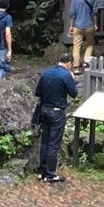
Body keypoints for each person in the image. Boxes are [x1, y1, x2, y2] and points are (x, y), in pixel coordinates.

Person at [34, 52, 78, 183]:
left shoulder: (46, 73)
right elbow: (74, 93)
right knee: (54, 144)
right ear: (69, 63)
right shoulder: (66, 75)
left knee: (45, 142)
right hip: (57, 111)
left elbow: (38, 92)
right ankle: (50, 174)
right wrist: (72, 78)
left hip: (44, 110)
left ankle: (41, 171)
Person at [69, 0, 99, 73]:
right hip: (89, 25)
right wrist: (95, 24)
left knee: (77, 46)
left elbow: (72, 14)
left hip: (77, 26)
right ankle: (86, 64)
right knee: (89, 45)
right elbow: (95, 13)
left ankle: (76, 67)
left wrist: (71, 26)